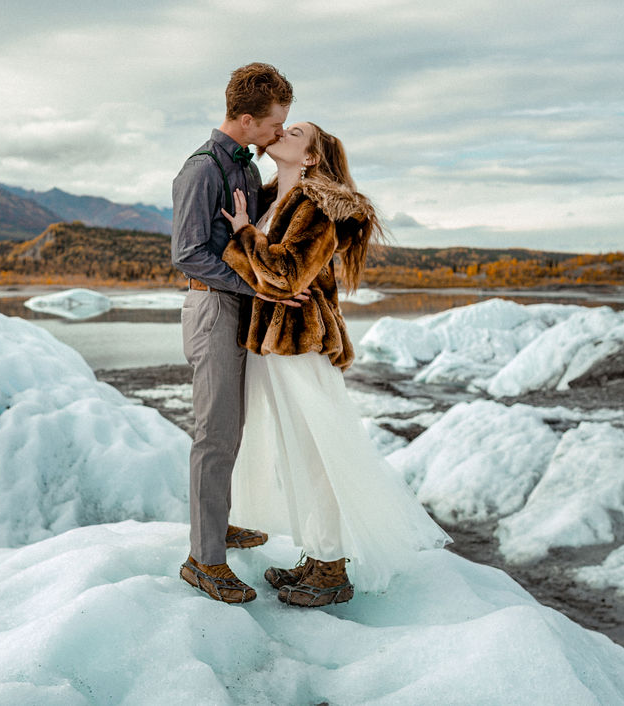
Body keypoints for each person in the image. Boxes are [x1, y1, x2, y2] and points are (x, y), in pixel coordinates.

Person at [220, 121, 450, 607]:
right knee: (293, 449)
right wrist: (254, 251)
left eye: (295, 132)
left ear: (309, 158)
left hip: (299, 343)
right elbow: (269, 275)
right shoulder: (271, 203)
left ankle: (331, 568)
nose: (281, 131)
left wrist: (244, 239)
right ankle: (315, 555)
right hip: (273, 344)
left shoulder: (316, 207)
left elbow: (283, 275)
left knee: (318, 451)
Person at [171, 63, 297, 604]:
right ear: (246, 119)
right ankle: (203, 561)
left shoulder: (243, 167)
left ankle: (215, 528)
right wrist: (260, 286)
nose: (277, 134)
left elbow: (246, 227)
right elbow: (188, 253)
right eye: (274, 125)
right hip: (213, 309)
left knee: (231, 428)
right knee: (214, 435)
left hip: (237, 308)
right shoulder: (201, 170)